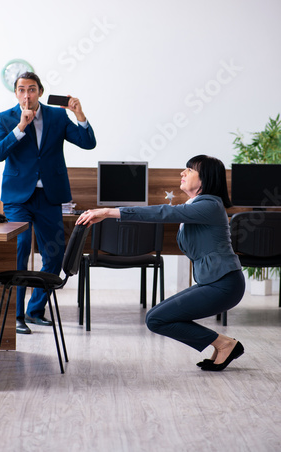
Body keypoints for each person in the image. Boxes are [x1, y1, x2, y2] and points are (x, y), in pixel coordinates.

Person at [76, 155, 245, 371]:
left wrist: (108, 212)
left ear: (205, 179)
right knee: (154, 317)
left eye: (189, 170)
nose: (182, 173)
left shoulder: (210, 204)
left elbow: (164, 212)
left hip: (224, 284)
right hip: (212, 283)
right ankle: (223, 344)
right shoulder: (197, 205)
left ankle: (224, 344)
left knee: (157, 319)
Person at [0, 72, 96, 334]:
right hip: (18, 198)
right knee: (21, 249)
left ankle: (35, 310)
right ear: (16, 93)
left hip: (50, 196)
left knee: (54, 255)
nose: (27, 95)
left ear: (40, 91)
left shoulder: (57, 116)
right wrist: (21, 127)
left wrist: (79, 115)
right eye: (21, 90)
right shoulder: (4, 118)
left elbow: (88, 143)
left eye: (32, 89)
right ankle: (15, 316)